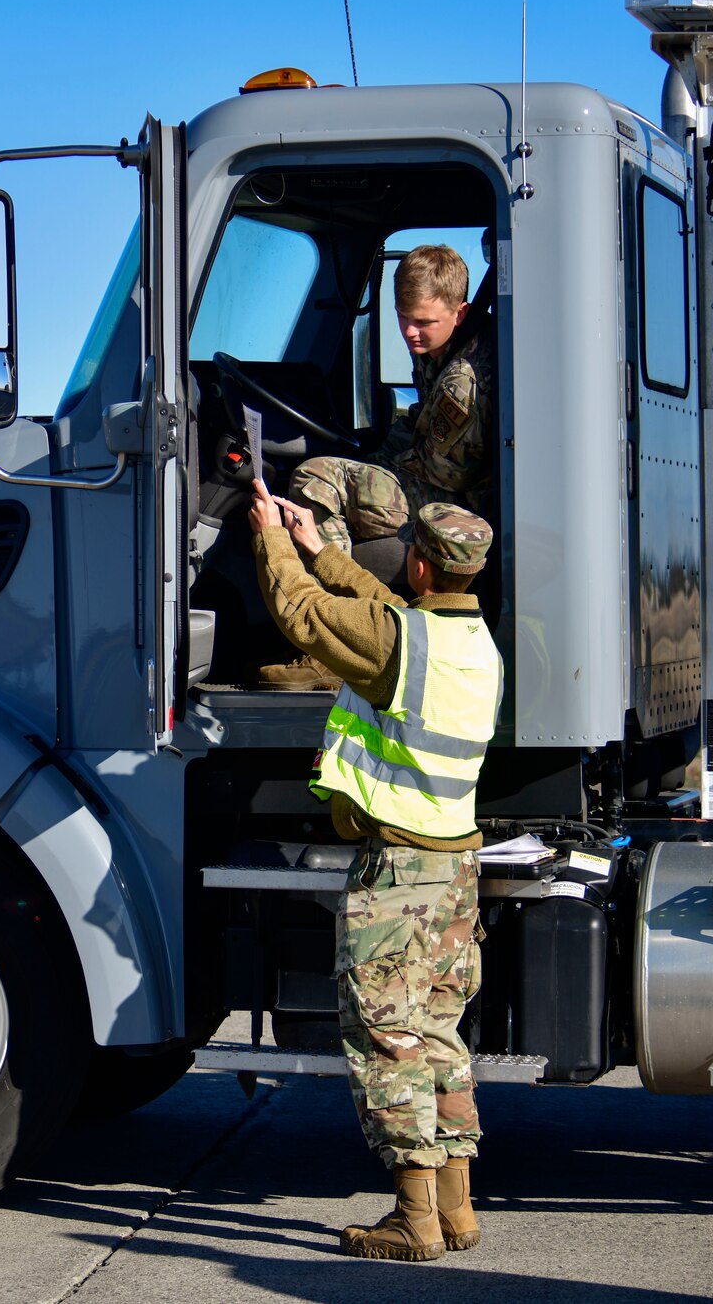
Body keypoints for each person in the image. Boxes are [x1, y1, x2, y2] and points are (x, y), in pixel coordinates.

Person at [246, 475, 503, 1263]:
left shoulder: (400, 644)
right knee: (436, 1033)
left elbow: (304, 615)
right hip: (455, 865)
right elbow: (382, 610)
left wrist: (270, 536)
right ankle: (457, 1208)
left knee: (386, 1040)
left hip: (400, 875)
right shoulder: (466, 639)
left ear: (420, 566)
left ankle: (414, 1218)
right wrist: (322, 546)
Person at [257, 244, 494, 690]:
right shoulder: (437, 346)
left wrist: (370, 469)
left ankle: (333, 645)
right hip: (432, 476)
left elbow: (442, 473)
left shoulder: (463, 382)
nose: (410, 332)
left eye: (424, 322)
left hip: (448, 504)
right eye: (403, 317)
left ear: (460, 314)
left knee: (316, 477)